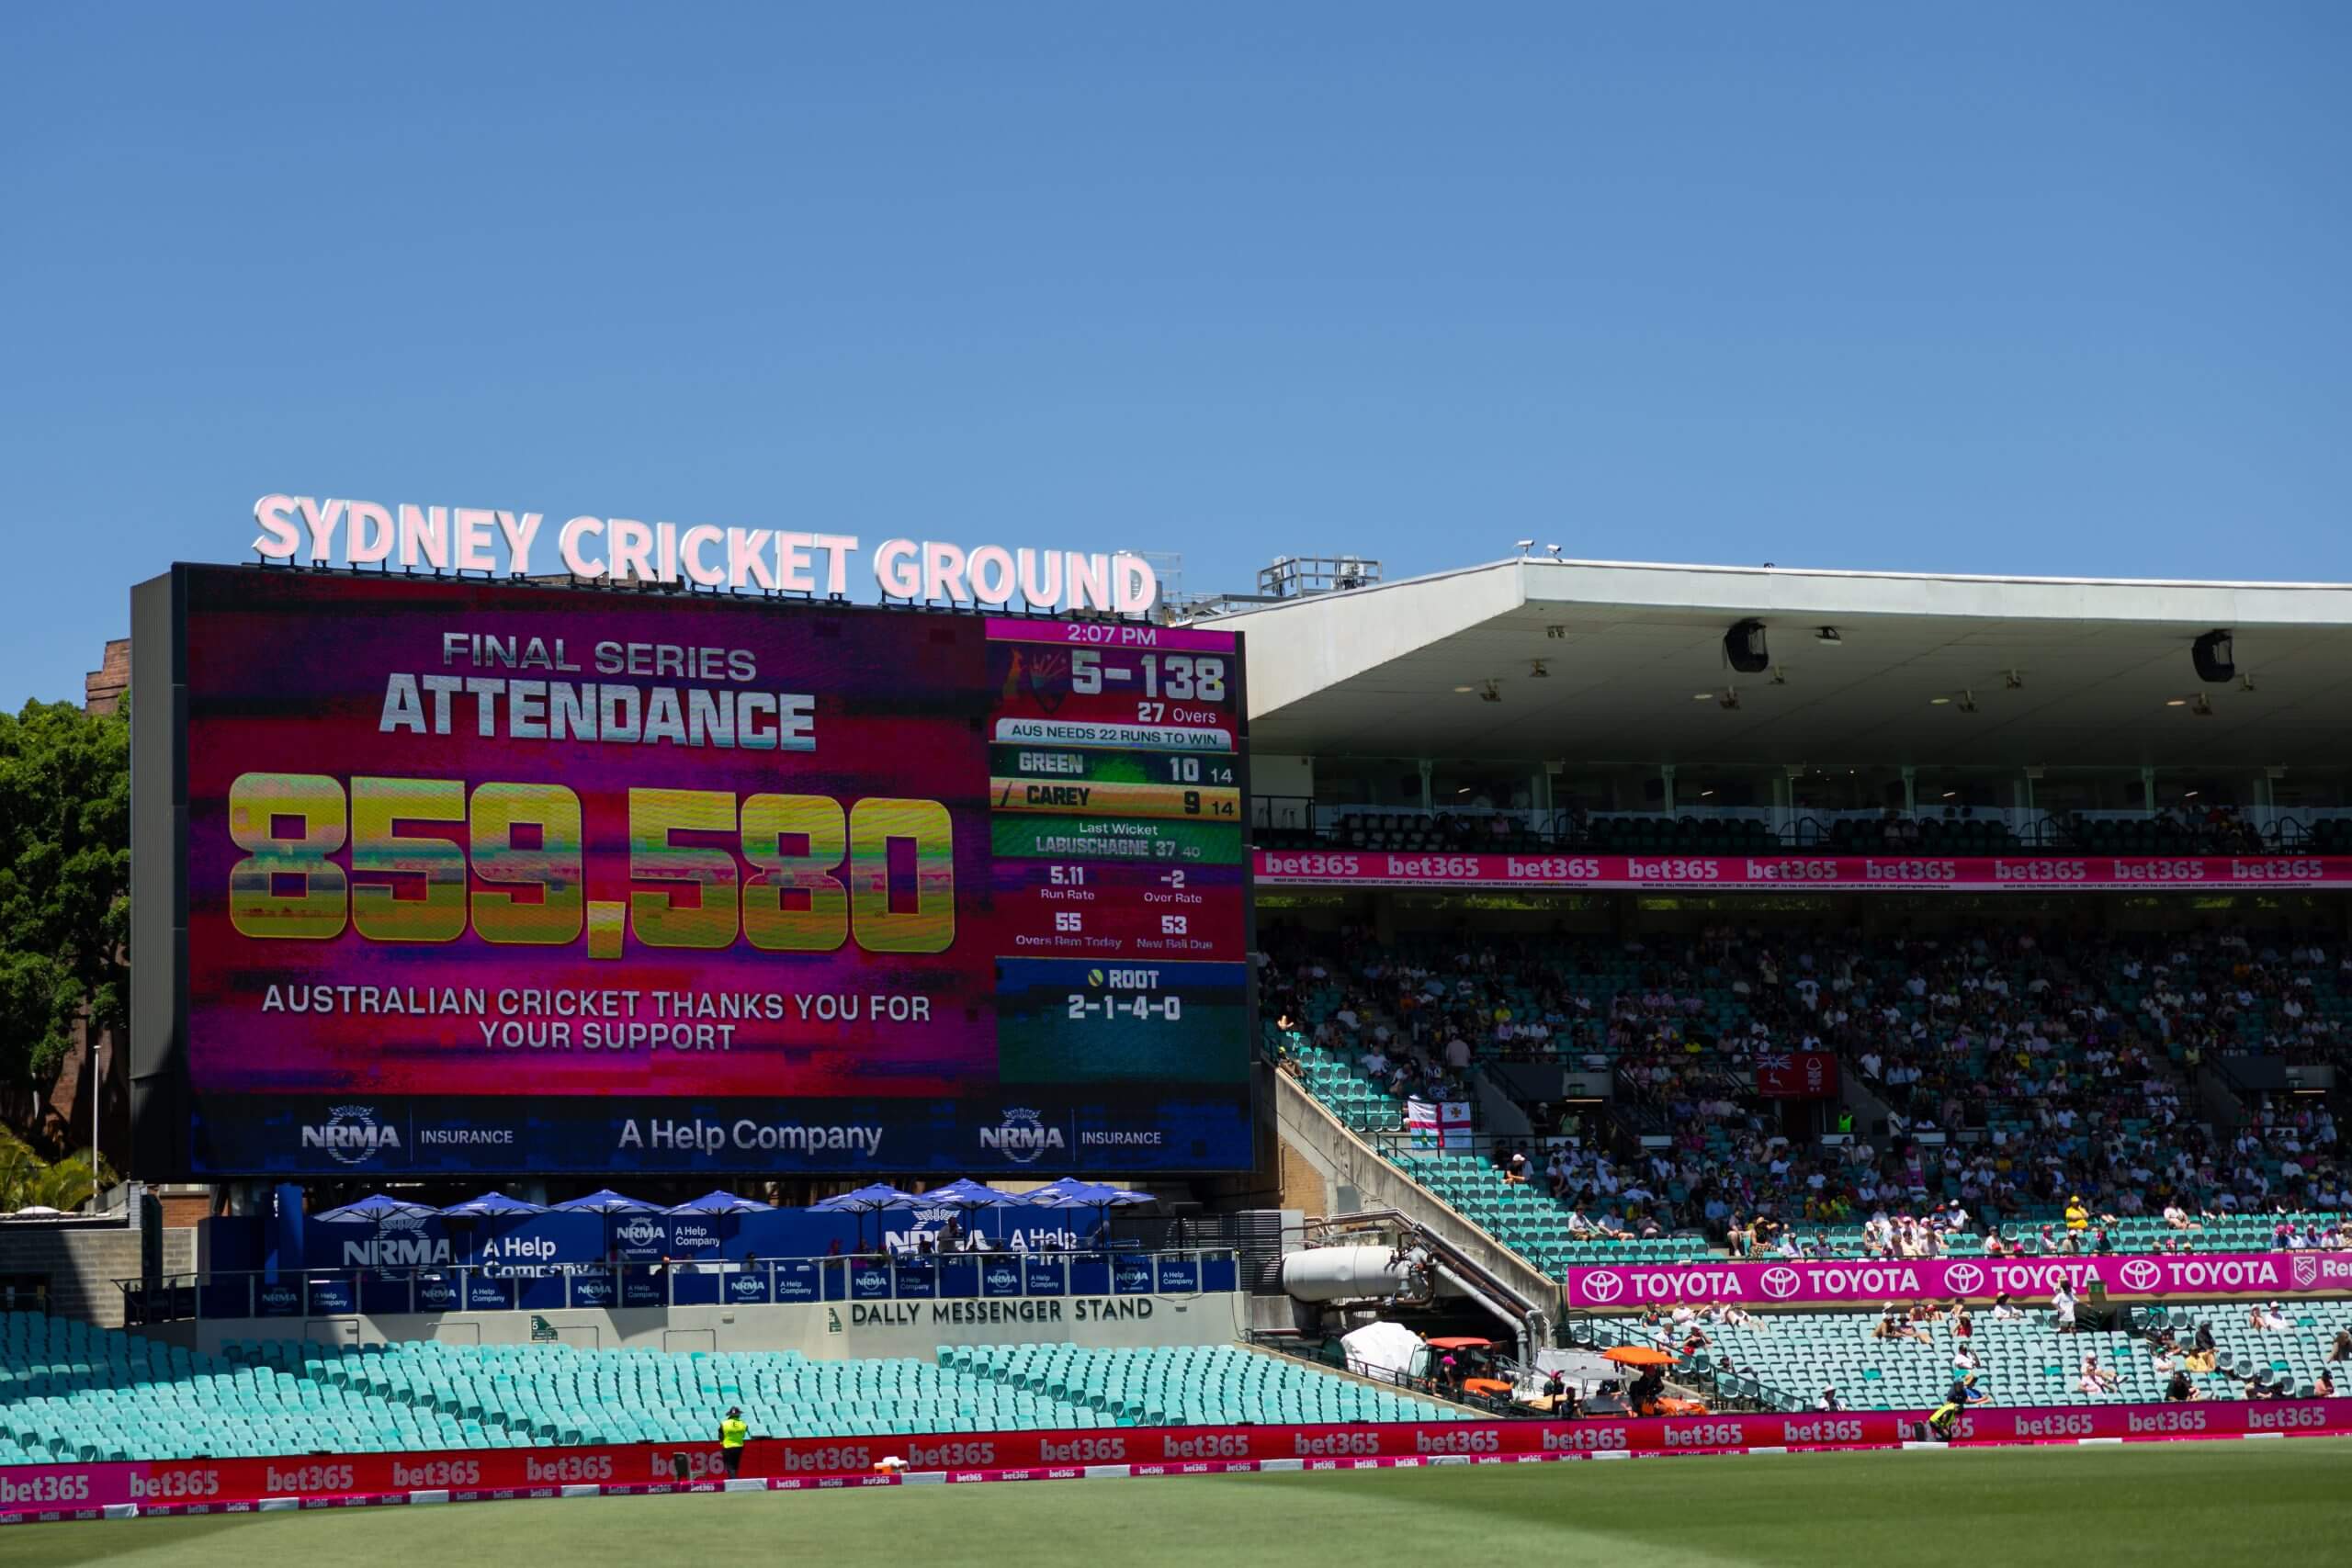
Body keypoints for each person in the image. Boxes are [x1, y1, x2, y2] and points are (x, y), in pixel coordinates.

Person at [1928, 1371, 1984, 1441]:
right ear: (1956, 1384)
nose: (1962, 1385)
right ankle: (1936, 1441)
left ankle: (1939, 1441)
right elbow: (1945, 1416)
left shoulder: (1954, 1412)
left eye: (1962, 1384)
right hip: (1935, 1421)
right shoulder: (1951, 1397)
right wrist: (1944, 1427)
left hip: (1938, 1422)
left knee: (1949, 1436)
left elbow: (1949, 1421)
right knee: (1947, 1435)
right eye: (1960, 1384)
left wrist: (1948, 1429)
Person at [718, 1405, 749, 1477]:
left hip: (727, 1447)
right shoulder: (743, 1424)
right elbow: (743, 1435)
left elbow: (720, 1435)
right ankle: (733, 1479)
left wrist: (722, 1442)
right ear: (738, 1415)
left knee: (729, 1465)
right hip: (739, 1446)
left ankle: (733, 1481)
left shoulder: (724, 1423)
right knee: (735, 1465)